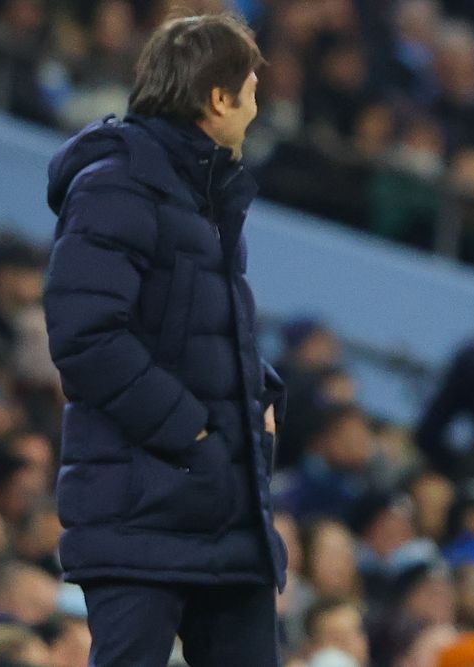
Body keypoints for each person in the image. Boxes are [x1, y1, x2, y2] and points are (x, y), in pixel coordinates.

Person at [42, 12, 286, 666]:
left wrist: (260, 399)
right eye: (252, 93)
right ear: (218, 97)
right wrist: (195, 432)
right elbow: (87, 336)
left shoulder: (206, 192)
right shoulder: (116, 182)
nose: (256, 111)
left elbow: (201, 329)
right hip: (140, 512)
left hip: (224, 511)